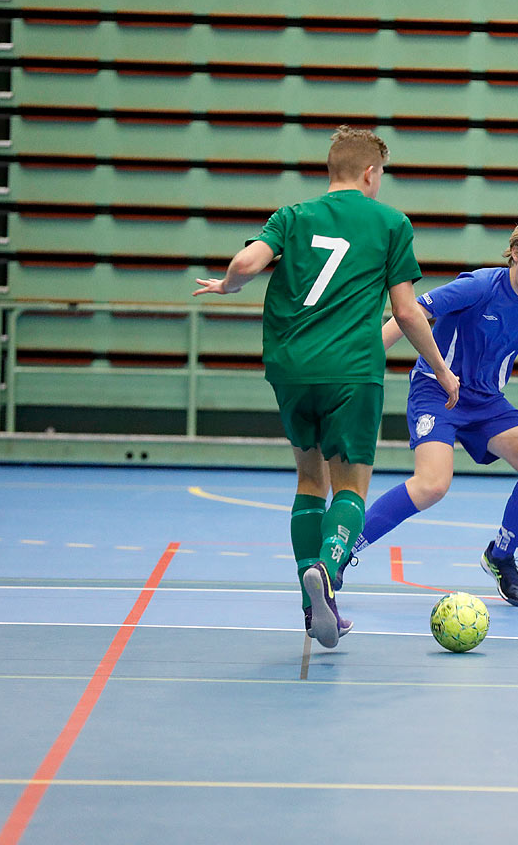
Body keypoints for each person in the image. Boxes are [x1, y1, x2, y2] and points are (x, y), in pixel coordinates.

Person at [193, 126, 458, 649]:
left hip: (290, 367)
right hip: (351, 370)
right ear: (370, 173)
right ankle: (329, 572)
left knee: (309, 481)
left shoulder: (291, 216)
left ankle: (315, 603)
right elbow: (406, 311)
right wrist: (442, 369)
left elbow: (247, 263)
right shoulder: (390, 222)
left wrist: (228, 284)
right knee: (351, 486)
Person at [350, 213, 518, 608]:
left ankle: (500, 555)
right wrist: (366, 359)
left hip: (487, 403)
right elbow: (411, 313)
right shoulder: (480, 285)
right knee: (432, 484)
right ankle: (345, 547)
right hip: (438, 391)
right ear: (514, 254)